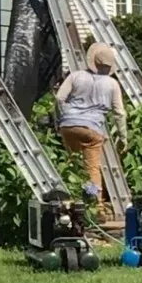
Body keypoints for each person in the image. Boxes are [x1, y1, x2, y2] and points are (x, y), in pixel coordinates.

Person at [55, 42, 127, 215]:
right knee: (92, 168)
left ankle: (69, 203)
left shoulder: (76, 76)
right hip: (92, 129)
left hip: (69, 125)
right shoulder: (112, 84)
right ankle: (96, 207)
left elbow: (59, 98)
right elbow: (119, 113)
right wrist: (123, 137)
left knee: (73, 163)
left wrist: (61, 119)